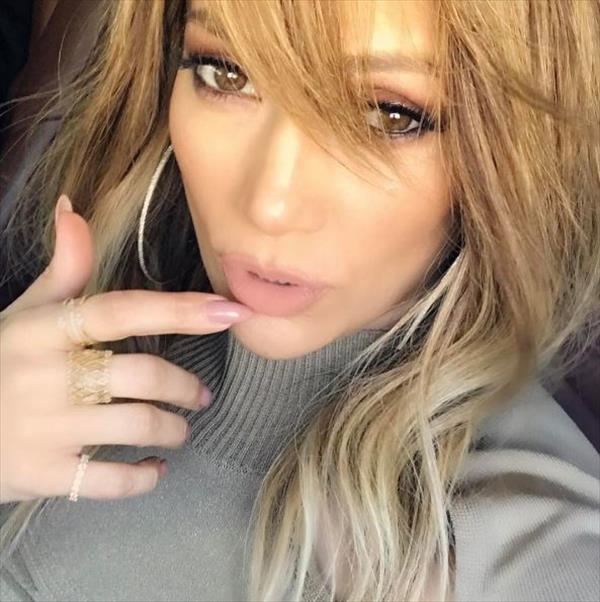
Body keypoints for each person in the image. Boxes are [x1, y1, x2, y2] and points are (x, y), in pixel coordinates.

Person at [0, 0, 598, 600]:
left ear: (507, 153)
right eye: (226, 72)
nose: (271, 203)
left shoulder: (521, 539)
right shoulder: (64, 339)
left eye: (389, 113)